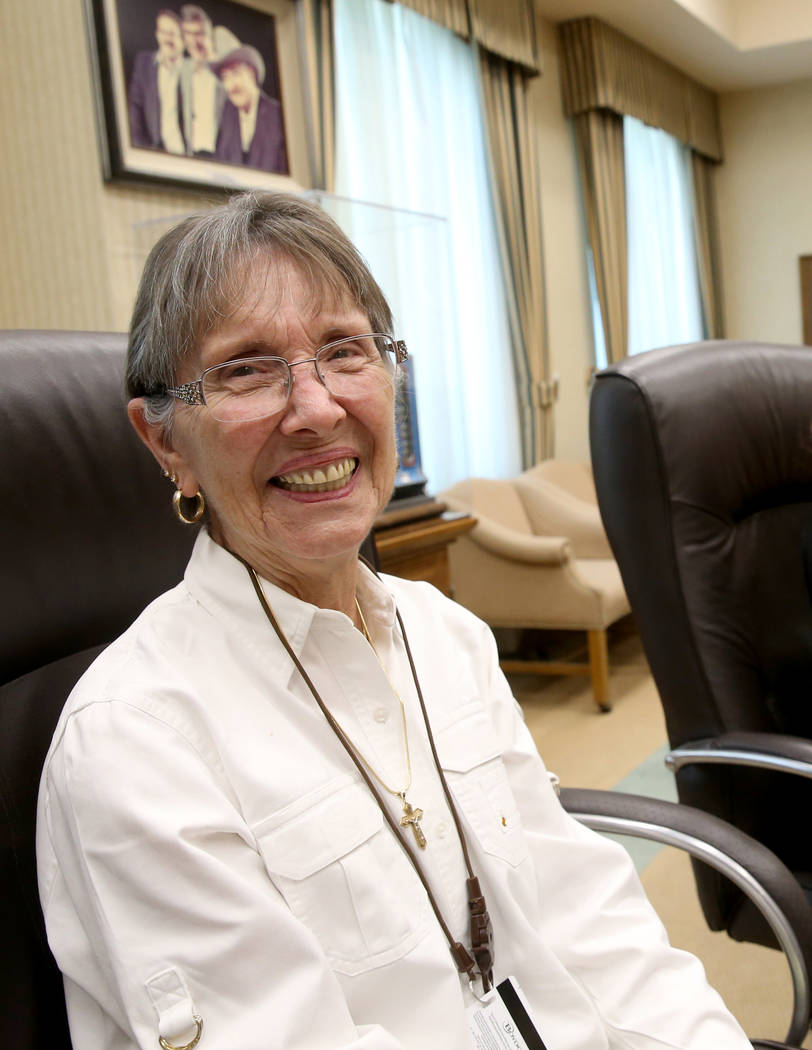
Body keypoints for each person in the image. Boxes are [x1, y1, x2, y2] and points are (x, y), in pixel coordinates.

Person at [36, 191, 751, 1050]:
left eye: (345, 350)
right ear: (166, 445)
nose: (317, 408)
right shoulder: (134, 745)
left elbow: (589, 920)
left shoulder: (444, 631)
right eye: (247, 369)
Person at [213, 41, 287, 173]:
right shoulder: (227, 113)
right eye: (225, 78)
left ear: (252, 74)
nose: (231, 86)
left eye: (236, 74)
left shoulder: (277, 115)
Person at [128, 9, 185, 154]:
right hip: (153, 152)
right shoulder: (144, 62)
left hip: (185, 154)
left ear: (184, 39)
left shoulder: (192, 70)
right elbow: (135, 108)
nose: (166, 39)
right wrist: (143, 150)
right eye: (162, 32)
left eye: (172, 33)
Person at [178, 4, 225, 157]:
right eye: (188, 34)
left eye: (199, 34)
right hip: (192, 156)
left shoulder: (227, 70)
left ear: (210, 36)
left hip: (223, 158)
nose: (194, 41)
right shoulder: (182, 70)